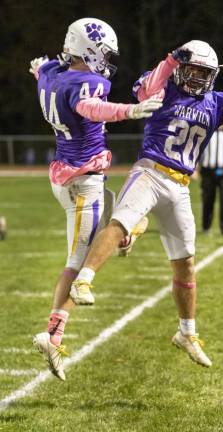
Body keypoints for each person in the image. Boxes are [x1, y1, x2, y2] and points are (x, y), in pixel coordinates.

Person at [62, 39, 223, 380]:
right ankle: (83, 281)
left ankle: (186, 332)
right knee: (119, 224)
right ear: (181, 68)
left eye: (203, 72)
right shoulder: (165, 89)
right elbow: (146, 89)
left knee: (186, 263)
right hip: (150, 172)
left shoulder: (216, 103)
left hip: (182, 186)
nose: (195, 77)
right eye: (191, 69)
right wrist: (172, 60)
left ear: (212, 75)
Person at [30, 17, 162, 381]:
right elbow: (92, 109)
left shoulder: (51, 73)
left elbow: (42, 69)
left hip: (63, 174)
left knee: (134, 218)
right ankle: (53, 334)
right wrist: (129, 110)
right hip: (83, 182)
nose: (106, 60)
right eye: (103, 52)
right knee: (78, 263)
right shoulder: (88, 82)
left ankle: (125, 237)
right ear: (87, 50)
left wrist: (39, 68)